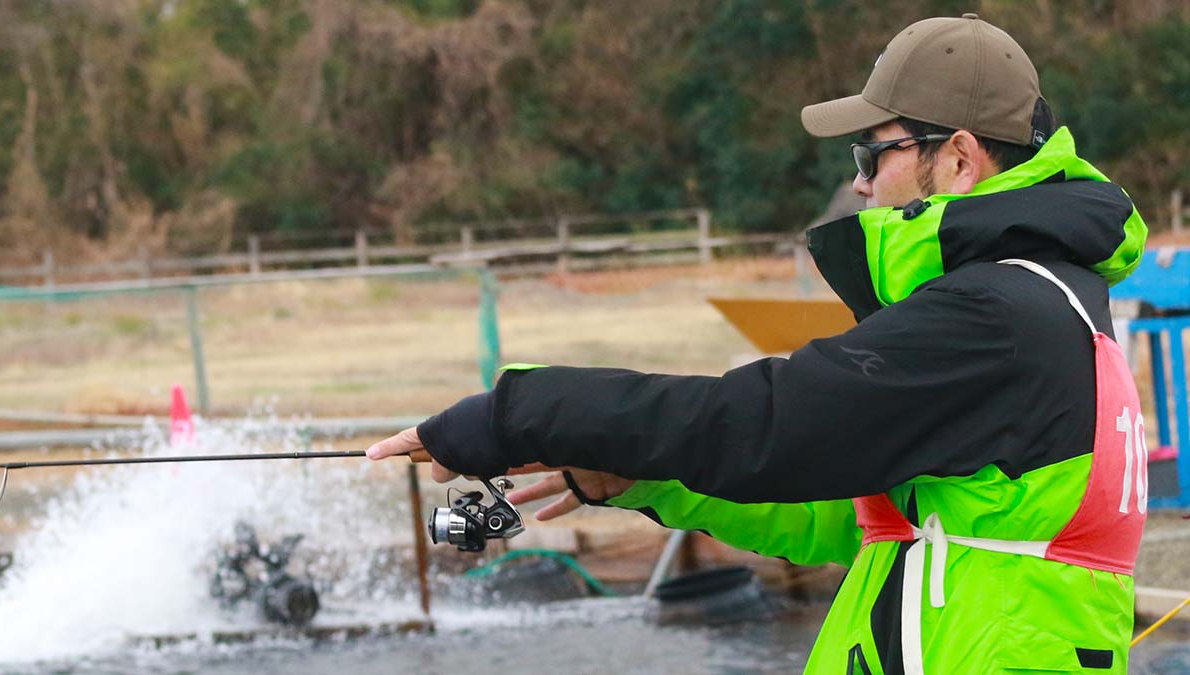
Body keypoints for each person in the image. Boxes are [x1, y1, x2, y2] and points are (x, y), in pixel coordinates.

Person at [368, 14, 1149, 675]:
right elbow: (846, 516)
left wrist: (520, 411)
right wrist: (644, 478)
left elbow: (767, 424)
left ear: (958, 157)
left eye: (875, 154)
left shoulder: (995, 314)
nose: (865, 185)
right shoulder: (1047, 300)